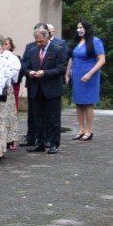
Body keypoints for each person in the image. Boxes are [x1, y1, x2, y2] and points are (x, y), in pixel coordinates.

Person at [21, 26, 68, 154]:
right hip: (36, 88)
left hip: (52, 88)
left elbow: (61, 69)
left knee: (53, 118)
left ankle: (53, 143)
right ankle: (39, 142)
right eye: (36, 41)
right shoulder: (33, 51)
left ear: (47, 37)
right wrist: (29, 72)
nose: (38, 43)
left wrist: (45, 73)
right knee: (38, 118)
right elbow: (25, 66)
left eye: (41, 41)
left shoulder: (58, 50)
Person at [66, 20, 105, 141]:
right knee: (78, 103)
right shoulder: (77, 42)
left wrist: (90, 73)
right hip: (77, 75)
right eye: (77, 27)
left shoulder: (95, 41)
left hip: (89, 75)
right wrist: (68, 73)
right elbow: (72, 58)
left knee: (88, 103)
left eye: (81, 27)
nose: (79, 30)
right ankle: (81, 129)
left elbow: (102, 60)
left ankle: (89, 130)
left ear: (87, 28)